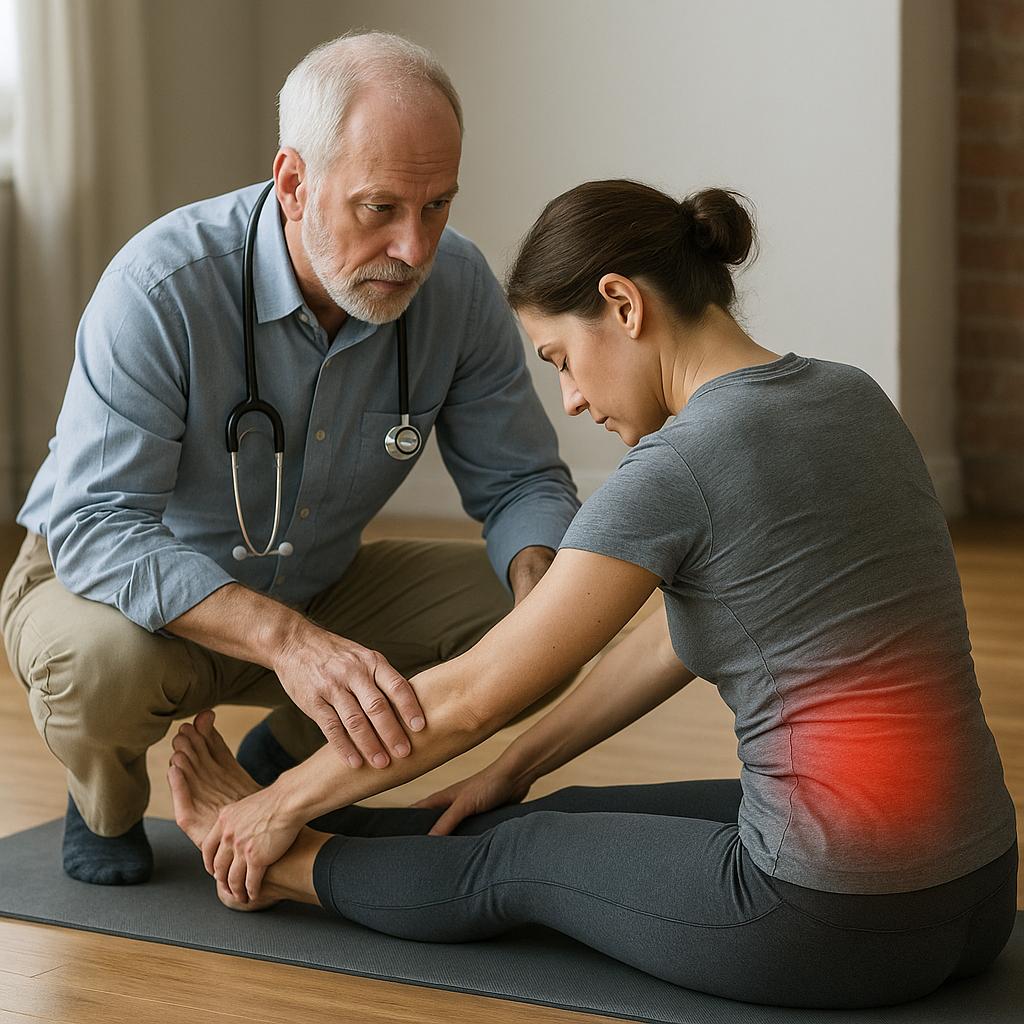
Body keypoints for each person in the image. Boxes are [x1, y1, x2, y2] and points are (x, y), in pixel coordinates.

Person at [169, 179, 1017, 1010]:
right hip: (979, 892)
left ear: (623, 303)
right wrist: (515, 766)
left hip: (826, 923)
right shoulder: (851, 394)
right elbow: (671, 640)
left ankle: (265, 858)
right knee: (550, 807)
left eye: (562, 359)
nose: (571, 398)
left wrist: (274, 809)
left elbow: (470, 696)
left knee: (520, 857)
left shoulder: (679, 463)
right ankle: (318, 829)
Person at [0, 32, 580, 888]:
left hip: (314, 584)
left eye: (437, 206)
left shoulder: (453, 289)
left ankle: (292, 758)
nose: (415, 248)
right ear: (295, 181)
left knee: (553, 619)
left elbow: (523, 480)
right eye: (379, 207)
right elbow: (93, 523)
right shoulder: (161, 288)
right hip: (123, 596)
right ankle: (105, 804)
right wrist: (289, 643)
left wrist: (545, 595)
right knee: (100, 669)